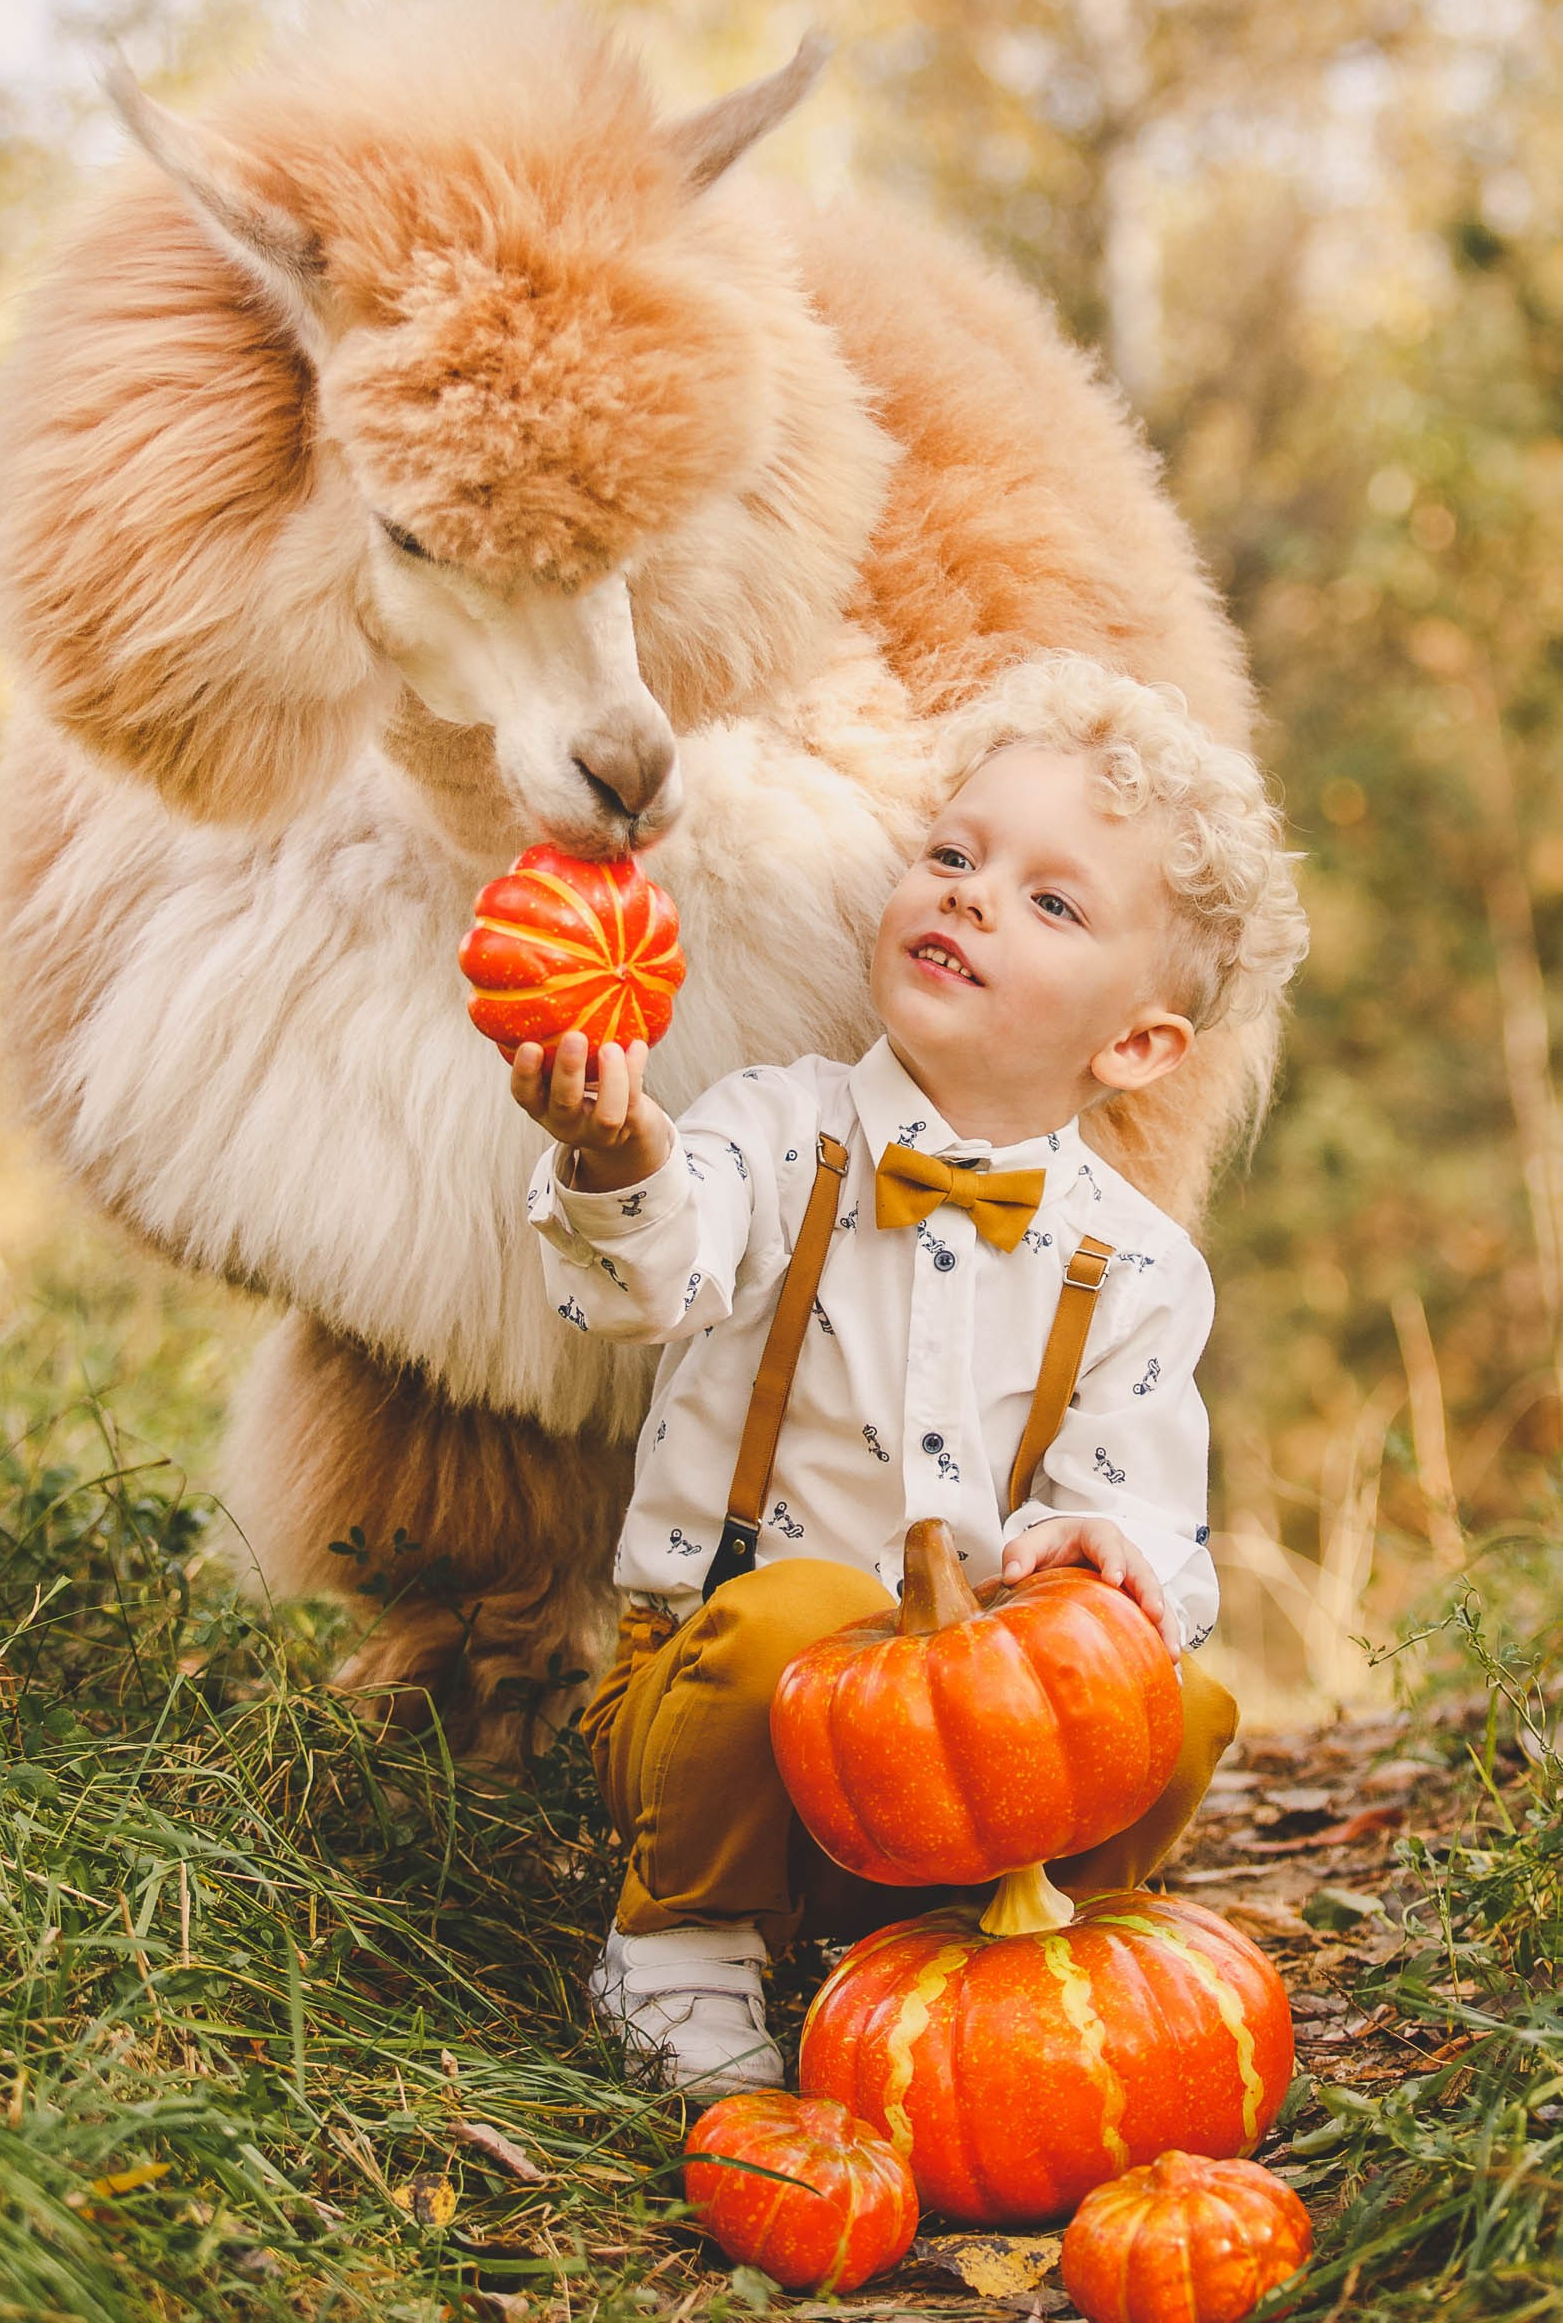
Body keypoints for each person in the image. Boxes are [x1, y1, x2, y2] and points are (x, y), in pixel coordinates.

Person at [511, 652, 1308, 2095]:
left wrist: (1102, 1553)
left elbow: (1154, 1533)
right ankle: (681, 1949)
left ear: (1135, 1044)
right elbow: (643, 1280)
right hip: (716, 1721)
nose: (969, 893)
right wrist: (616, 1156)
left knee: (1173, 1704)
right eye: (952, 853)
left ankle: (983, 1952)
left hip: (960, 1773)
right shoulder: (779, 1128)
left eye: (1048, 901)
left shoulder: (1133, 1266)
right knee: (801, 1611)